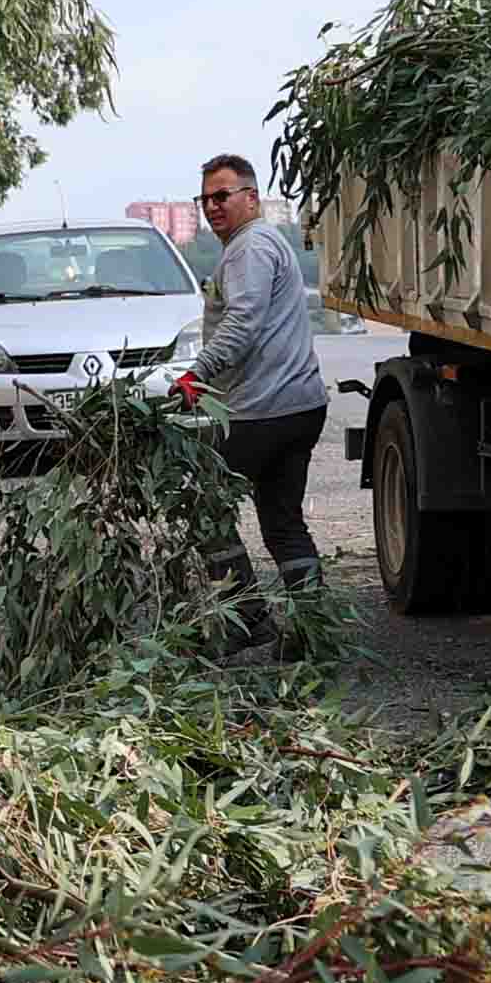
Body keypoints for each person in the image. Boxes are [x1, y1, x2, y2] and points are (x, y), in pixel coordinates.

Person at [189, 156, 329, 642]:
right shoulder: (262, 244)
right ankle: (312, 633)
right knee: (282, 521)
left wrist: (196, 375)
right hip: (300, 406)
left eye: (222, 195)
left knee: (201, 505)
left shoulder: (248, 248)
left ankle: (245, 619)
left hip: (261, 411)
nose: (212, 206)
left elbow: (242, 323)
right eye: (205, 198)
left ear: (251, 197)